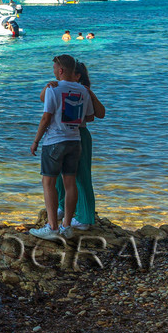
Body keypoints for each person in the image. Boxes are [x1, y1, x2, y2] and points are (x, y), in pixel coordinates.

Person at [29, 55, 92, 240]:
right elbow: (87, 117)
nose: (54, 71)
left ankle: (53, 228)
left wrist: (36, 141)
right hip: (75, 141)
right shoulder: (83, 90)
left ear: (61, 70)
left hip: (55, 141)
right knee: (70, 182)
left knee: (48, 183)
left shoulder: (53, 89)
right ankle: (67, 227)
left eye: (55, 68)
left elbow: (46, 117)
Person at [71, 61, 106, 228]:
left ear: (77, 76)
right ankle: (68, 210)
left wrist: (91, 95)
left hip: (79, 135)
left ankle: (84, 217)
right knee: (64, 177)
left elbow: (98, 115)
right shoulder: (68, 89)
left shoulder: (83, 91)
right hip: (72, 134)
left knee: (82, 177)